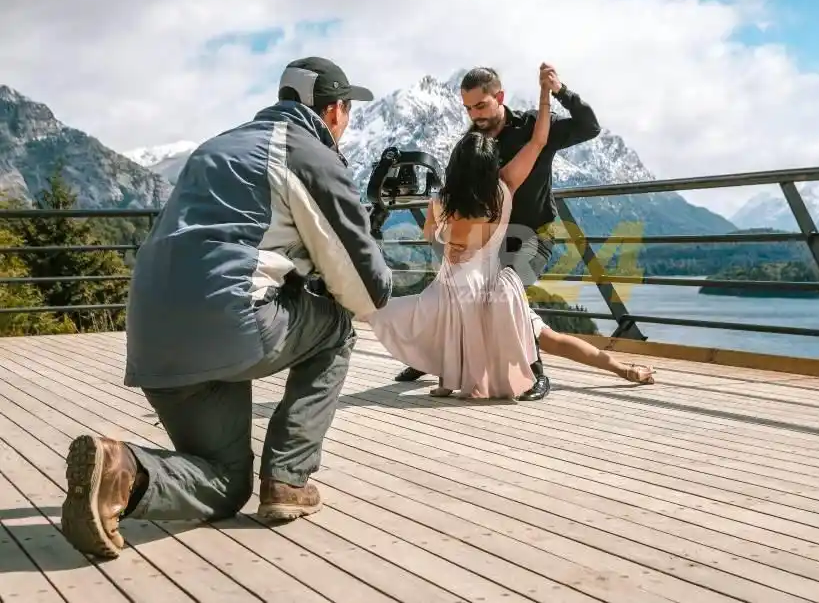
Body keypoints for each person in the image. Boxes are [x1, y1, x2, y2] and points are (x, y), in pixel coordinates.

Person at [59, 56, 392, 559]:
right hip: (231, 324)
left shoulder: (216, 146)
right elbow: (367, 289)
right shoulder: (305, 152)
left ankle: (121, 470)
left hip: (151, 337)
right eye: (347, 109)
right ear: (333, 112)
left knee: (225, 483)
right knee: (338, 326)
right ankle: (288, 479)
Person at [394, 63, 602, 401]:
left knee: (508, 291)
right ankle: (432, 358)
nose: (474, 114)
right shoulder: (470, 143)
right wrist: (452, 243)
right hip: (487, 241)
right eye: (467, 108)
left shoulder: (535, 128)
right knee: (450, 287)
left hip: (532, 234)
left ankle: (534, 374)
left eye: (480, 105)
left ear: (499, 97)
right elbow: (453, 194)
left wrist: (559, 91)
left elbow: (590, 127)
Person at [365, 67, 555, 399]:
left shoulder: (444, 199)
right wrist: (544, 95)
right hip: (483, 283)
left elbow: (429, 237)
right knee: (506, 301)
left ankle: (442, 368)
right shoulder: (504, 184)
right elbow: (539, 140)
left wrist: (449, 242)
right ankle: (532, 373)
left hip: (456, 286)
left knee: (423, 314)